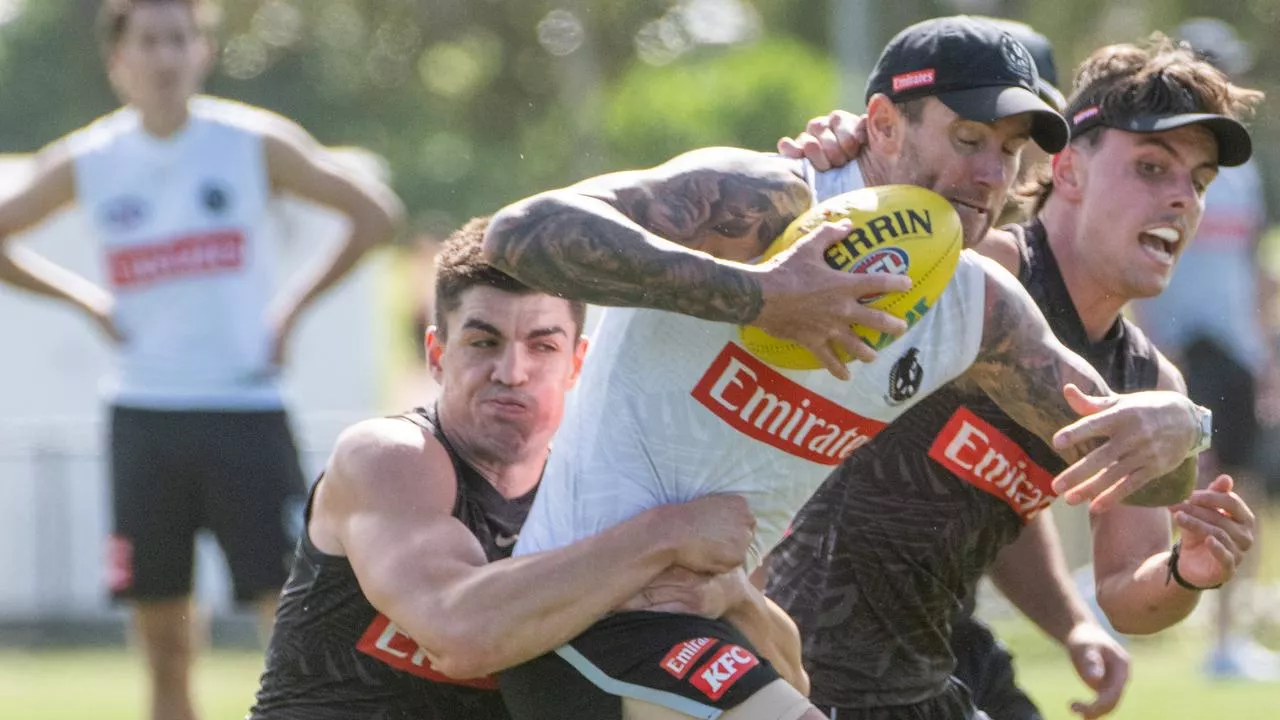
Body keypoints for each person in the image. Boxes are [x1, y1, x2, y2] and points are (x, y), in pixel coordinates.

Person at [482, 16, 1210, 720]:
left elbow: (1146, 470)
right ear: (885, 125)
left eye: (1011, 150)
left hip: (713, 632)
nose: (992, 174)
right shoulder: (769, 204)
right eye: (968, 138)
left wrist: (1182, 424)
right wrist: (761, 297)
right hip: (580, 624)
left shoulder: (978, 307)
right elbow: (521, 234)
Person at [766, 33, 1263, 719]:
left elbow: (1120, 584)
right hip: (808, 660)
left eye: (1198, 182)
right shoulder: (972, 272)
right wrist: (843, 150)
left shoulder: (1141, 375)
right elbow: (862, 208)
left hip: (935, 654)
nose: (1182, 199)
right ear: (1067, 171)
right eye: (1152, 168)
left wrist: (1185, 572)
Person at [0, 3, 403, 720]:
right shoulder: (90, 158)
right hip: (145, 416)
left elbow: (376, 214)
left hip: (245, 409)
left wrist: (292, 307)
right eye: (148, 42)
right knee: (163, 640)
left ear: (203, 52)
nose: (164, 57)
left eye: (178, 40)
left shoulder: (249, 143)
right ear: (117, 61)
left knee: (293, 627)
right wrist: (86, 302)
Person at [248, 219, 800, 719]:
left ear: (577, 363)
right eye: (483, 342)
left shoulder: (600, 493)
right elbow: (458, 634)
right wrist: (666, 533)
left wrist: (733, 597)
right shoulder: (390, 458)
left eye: (542, 346)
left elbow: (792, 686)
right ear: (437, 356)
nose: (512, 371)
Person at [1132, 17, 1280, 682]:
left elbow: (1255, 266)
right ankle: (1113, 595)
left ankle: (1225, 639)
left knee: (1231, 490)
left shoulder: (1242, 177)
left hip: (1238, 351)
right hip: (1173, 347)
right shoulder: (1149, 166)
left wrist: (1268, 353)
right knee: (1160, 486)